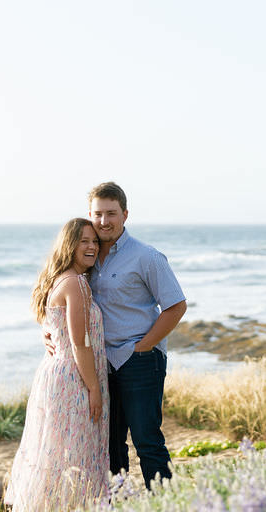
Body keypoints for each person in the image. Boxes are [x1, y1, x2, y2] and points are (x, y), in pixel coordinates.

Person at [48, 182, 187, 488]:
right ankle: (117, 505)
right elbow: (62, 300)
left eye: (111, 213)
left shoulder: (147, 257)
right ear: (90, 214)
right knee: (110, 445)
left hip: (139, 361)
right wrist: (50, 333)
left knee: (147, 440)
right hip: (101, 365)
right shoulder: (86, 256)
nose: (104, 221)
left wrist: (143, 347)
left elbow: (176, 306)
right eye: (98, 214)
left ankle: (166, 505)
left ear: (125, 215)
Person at [4, 218, 109, 512]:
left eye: (94, 241)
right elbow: (80, 341)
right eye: (83, 241)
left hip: (56, 374)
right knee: (74, 452)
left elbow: (57, 329)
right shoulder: (76, 283)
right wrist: (94, 388)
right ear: (69, 245)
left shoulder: (61, 279)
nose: (91, 246)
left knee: (57, 450)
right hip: (73, 378)